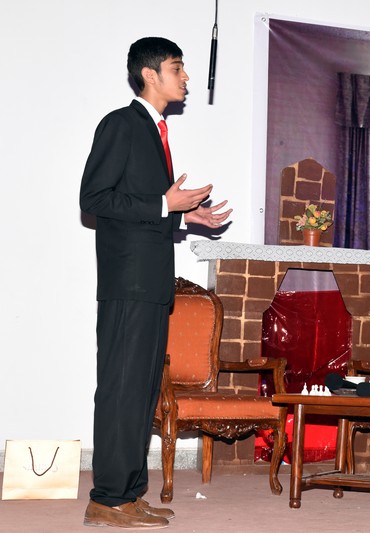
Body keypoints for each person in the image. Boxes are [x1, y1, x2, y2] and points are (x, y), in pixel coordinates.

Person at [79, 37, 232, 529]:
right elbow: (94, 199)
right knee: (121, 389)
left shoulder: (155, 130)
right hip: (128, 282)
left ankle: (128, 494)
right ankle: (106, 498)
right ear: (150, 74)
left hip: (150, 283)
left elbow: (142, 206)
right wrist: (167, 204)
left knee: (142, 392)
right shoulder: (122, 124)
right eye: (177, 68)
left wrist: (185, 217)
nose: (185, 78)